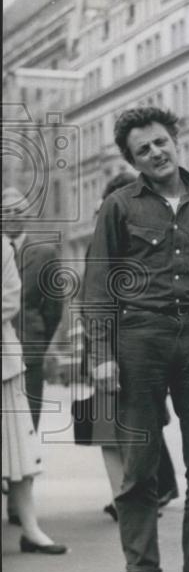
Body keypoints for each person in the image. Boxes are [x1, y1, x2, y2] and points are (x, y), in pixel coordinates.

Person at [83, 106, 189, 572]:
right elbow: (97, 288)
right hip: (138, 341)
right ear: (132, 160)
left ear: (176, 139)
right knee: (138, 468)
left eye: (159, 143)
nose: (154, 153)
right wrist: (103, 357)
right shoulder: (119, 208)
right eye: (141, 150)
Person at [76, 172, 179, 521]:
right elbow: (93, 300)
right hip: (111, 345)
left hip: (125, 345)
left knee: (126, 427)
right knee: (111, 429)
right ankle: (130, 496)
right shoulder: (114, 243)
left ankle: (135, 495)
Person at [2, 234, 66, 555]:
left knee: (18, 449)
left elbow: (9, 300)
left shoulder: (3, 248)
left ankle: (30, 529)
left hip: (5, 365)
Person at [1, 186, 63, 434]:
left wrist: (39, 339)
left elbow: (54, 307)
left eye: (18, 210)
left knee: (28, 419)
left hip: (30, 347)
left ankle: (28, 471)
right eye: (7, 211)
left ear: (27, 215)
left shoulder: (45, 253)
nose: (13, 216)